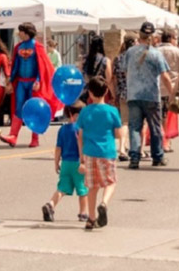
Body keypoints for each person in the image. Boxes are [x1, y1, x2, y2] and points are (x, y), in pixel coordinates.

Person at [0, 22, 62, 148]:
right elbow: (16, 65)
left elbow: (42, 66)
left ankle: (35, 138)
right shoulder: (18, 47)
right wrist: (11, 80)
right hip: (21, 82)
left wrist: (38, 80)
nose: (19, 34)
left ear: (26, 32)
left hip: (33, 83)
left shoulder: (38, 47)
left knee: (35, 109)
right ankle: (13, 135)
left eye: (21, 31)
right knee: (18, 107)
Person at [123, 21, 172, 169]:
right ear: (153, 37)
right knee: (155, 127)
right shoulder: (156, 54)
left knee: (135, 127)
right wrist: (172, 93)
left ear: (140, 34)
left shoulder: (130, 52)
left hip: (133, 94)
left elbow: (125, 71)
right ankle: (157, 156)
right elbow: (165, 76)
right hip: (151, 95)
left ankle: (134, 157)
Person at [76, 77, 122, 230]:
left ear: (90, 93)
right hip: (107, 151)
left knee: (92, 186)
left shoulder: (85, 111)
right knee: (111, 182)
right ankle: (104, 203)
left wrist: (81, 156)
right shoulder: (112, 111)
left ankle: (91, 218)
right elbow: (118, 133)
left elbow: (80, 135)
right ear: (106, 91)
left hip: (89, 152)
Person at [42, 102, 88, 223]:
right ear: (76, 115)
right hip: (78, 163)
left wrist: (56, 163)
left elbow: (58, 148)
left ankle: (51, 204)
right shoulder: (81, 129)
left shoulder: (62, 129)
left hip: (66, 163)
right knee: (83, 189)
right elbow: (82, 146)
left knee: (62, 188)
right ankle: (83, 213)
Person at [155, 30, 179, 152]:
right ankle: (165, 142)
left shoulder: (155, 51)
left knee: (158, 116)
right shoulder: (177, 51)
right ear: (171, 39)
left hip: (156, 86)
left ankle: (160, 141)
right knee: (167, 117)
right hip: (172, 87)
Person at [110, 33, 135, 160]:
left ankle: (122, 147)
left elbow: (113, 78)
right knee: (133, 122)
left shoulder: (118, 58)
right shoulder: (135, 57)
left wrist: (115, 93)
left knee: (124, 121)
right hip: (135, 92)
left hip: (122, 93)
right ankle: (128, 148)